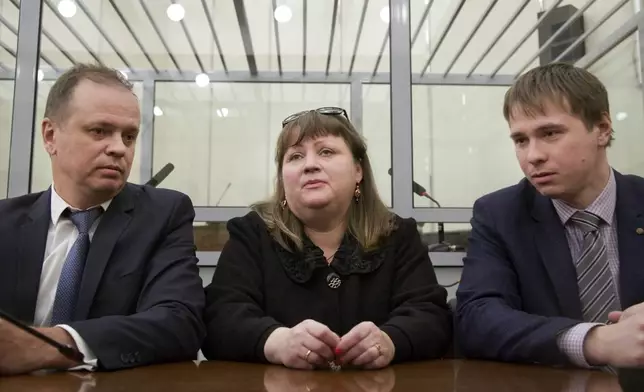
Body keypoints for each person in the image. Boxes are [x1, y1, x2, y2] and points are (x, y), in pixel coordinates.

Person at [202, 107, 451, 369]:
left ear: (358, 170)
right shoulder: (251, 234)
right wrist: (277, 342)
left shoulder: (398, 235)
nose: (310, 164)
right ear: (282, 178)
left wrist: (390, 340)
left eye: (326, 152)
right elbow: (220, 318)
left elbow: (431, 317)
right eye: (295, 156)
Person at [0, 64, 205, 375]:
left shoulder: (163, 214)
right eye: (99, 131)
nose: (119, 148)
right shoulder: (5, 222)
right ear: (50, 135)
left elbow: (180, 324)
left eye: (129, 136)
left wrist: (48, 344)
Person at [455, 62, 644, 369]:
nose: (533, 156)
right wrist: (592, 341)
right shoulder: (499, 214)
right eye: (520, 140)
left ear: (602, 128)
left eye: (550, 133)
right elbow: (476, 318)